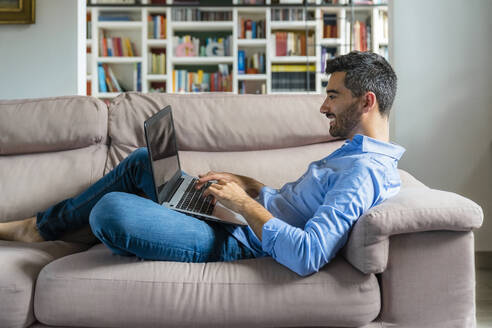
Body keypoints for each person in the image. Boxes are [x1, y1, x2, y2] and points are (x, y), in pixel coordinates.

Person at [0, 51, 405, 277]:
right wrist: (246, 185)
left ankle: (71, 229)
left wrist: (243, 206)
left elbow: (309, 253)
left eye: (333, 96)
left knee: (110, 210)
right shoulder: (355, 153)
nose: (323, 106)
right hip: (237, 218)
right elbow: (294, 206)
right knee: (142, 160)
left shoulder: (363, 172)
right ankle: (41, 228)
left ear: (366, 100)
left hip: (238, 241)